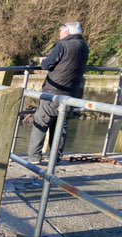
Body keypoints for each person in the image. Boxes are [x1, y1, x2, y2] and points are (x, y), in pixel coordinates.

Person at [27, 22, 89, 164]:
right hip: (72, 93)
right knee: (61, 125)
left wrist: (45, 60)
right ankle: (55, 157)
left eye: (61, 34)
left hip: (53, 91)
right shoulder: (84, 47)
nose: (60, 37)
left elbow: (46, 65)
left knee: (41, 122)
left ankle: (34, 157)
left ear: (67, 33)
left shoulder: (62, 45)